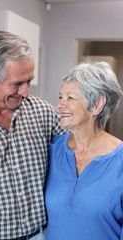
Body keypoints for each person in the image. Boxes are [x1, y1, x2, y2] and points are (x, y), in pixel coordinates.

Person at [0, 31, 65, 240]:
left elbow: (80, 150)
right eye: (17, 84)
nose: (26, 92)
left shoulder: (44, 112)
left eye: (29, 81)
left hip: (41, 235)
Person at [45, 60, 123, 240]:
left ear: (97, 105)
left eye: (70, 98)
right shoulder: (52, 150)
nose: (60, 105)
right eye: (60, 97)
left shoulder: (120, 162)